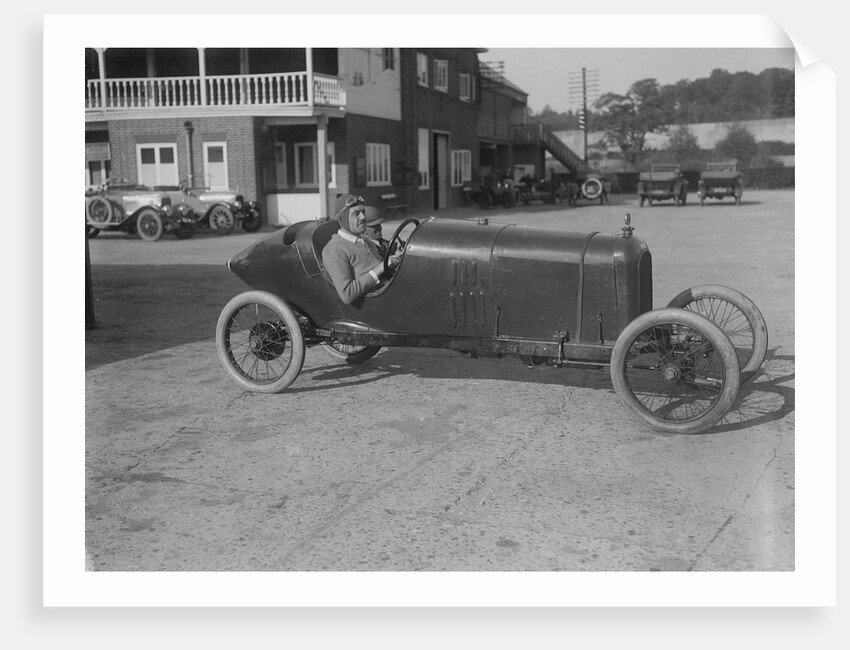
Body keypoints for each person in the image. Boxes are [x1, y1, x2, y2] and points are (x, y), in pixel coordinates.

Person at [321, 194, 401, 305]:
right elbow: (347, 294)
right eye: (356, 214)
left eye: (363, 212)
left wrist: (394, 258)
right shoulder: (334, 250)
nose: (363, 217)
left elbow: (381, 264)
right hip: (379, 303)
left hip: (389, 291)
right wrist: (381, 267)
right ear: (343, 219)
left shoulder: (363, 239)